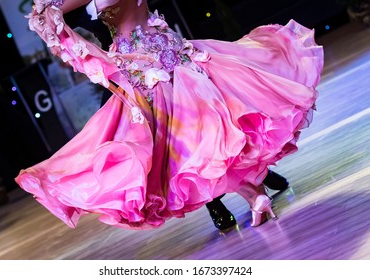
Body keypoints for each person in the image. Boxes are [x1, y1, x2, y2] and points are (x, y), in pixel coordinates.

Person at [16, 0, 323, 230]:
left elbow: (45, 12)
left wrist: (60, 29)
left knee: (184, 147)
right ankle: (255, 196)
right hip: (169, 50)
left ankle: (254, 196)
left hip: (145, 67)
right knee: (210, 133)